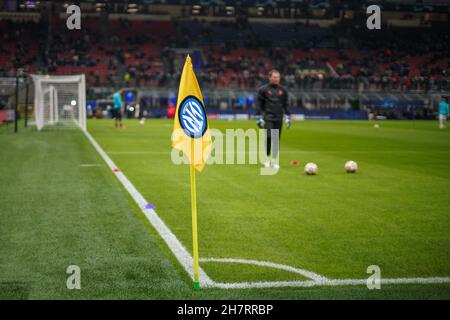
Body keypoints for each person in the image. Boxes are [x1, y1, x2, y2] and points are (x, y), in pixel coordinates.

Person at [255, 69, 291, 169]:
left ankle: (274, 160)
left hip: (279, 118)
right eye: (274, 77)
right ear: (270, 78)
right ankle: (266, 159)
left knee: (276, 139)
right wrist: (258, 117)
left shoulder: (283, 90)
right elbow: (258, 103)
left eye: (277, 77)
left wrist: (288, 117)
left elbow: (286, 104)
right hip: (268, 117)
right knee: (269, 136)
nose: (276, 79)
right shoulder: (263, 90)